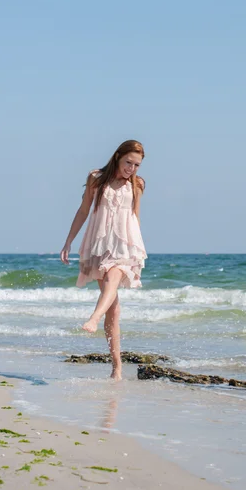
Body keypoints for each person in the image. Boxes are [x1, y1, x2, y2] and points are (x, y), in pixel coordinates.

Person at [60, 140, 147, 380]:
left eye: (137, 165)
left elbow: (135, 216)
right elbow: (83, 210)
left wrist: (137, 249)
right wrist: (68, 241)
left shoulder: (137, 185)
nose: (131, 168)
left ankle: (93, 318)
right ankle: (116, 366)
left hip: (124, 245)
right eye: (128, 162)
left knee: (113, 278)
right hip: (98, 243)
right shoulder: (96, 178)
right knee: (115, 310)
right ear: (118, 156)